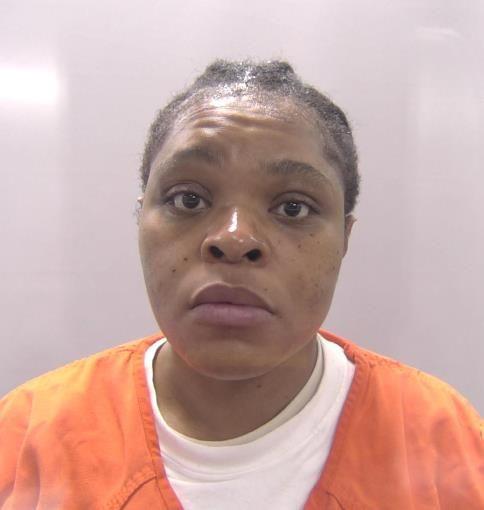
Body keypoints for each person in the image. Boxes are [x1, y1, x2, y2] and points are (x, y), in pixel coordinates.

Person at [0, 60, 482, 510]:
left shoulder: (446, 442)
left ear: (344, 239)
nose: (234, 240)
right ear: (140, 219)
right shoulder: (25, 439)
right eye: (188, 199)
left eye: (293, 207)